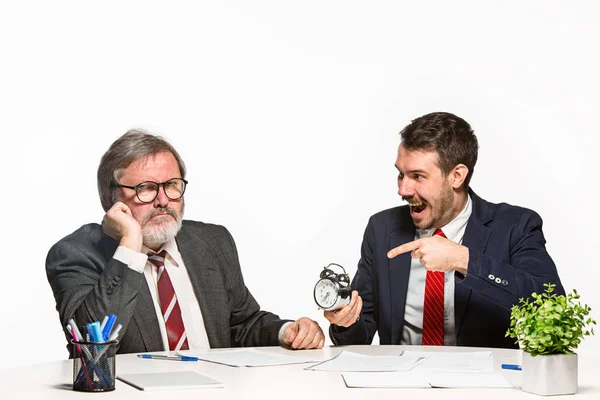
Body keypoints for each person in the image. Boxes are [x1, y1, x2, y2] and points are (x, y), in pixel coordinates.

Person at [47, 129, 324, 355]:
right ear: (111, 199)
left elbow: (242, 325)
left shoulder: (213, 242)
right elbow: (91, 347)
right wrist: (130, 244)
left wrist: (286, 331)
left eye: (172, 185)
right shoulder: (76, 253)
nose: (163, 200)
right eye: (145, 188)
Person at [325, 112, 564, 348]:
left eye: (418, 176)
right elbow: (360, 334)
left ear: (457, 176)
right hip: (399, 382)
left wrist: (464, 260)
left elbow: (551, 305)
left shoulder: (515, 226)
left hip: (483, 383)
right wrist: (346, 322)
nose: (403, 190)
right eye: (401, 174)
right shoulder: (382, 228)